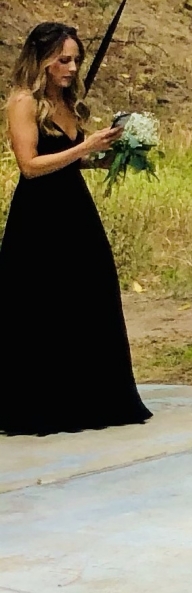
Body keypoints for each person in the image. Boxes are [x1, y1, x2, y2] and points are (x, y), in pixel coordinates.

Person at [0, 22, 151, 435]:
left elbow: (71, 158)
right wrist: (85, 146)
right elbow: (30, 166)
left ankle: (93, 398)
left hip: (75, 210)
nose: (70, 68)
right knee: (44, 305)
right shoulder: (23, 101)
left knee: (90, 293)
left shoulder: (68, 102)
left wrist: (111, 155)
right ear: (42, 59)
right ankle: (42, 404)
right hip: (39, 217)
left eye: (76, 60)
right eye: (63, 60)